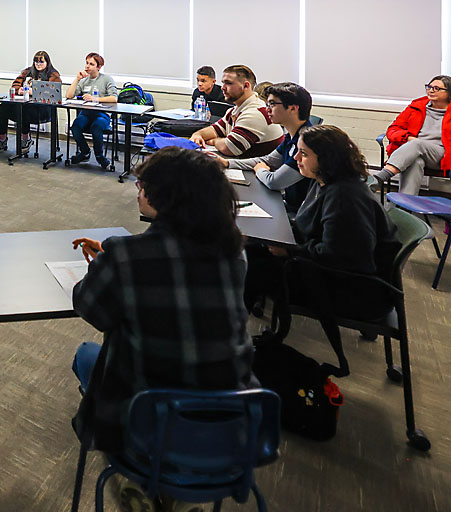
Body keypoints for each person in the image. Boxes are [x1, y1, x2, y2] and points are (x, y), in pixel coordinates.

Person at [69, 147, 255, 512]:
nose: (139, 192)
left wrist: (106, 265)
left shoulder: (126, 255)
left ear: (163, 197)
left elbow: (91, 309)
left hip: (149, 410)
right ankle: (181, 495)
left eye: (142, 186)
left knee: (87, 357)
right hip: (230, 414)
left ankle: (133, 477)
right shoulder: (234, 253)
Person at [246, 125, 401, 328]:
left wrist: (290, 250)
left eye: (303, 154)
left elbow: (341, 256)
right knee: (249, 248)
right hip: (333, 271)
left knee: (252, 267)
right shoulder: (324, 181)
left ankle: (235, 332)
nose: (296, 158)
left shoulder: (344, 198)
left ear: (326, 158)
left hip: (354, 291)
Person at [213, 82, 314, 213]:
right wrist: (227, 163)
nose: (267, 109)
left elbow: (274, 182)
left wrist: (260, 170)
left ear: (293, 108)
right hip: (288, 203)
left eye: (272, 104)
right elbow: (268, 161)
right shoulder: (291, 136)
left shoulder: (307, 143)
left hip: (297, 213)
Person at [371, 75, 451, 196]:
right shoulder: (416, 108)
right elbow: (393, 130)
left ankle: (381, 177)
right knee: (416, 161)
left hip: (443, 156)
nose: (431, 90)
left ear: (450, 93)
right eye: (429, 87)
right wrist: (407, 138)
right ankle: (404, 204)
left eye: (437, 88)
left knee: (417, 144)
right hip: (413, 151)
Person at [189, 65, 283, 158]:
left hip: (260, 166)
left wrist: (214, 141)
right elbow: (215, 130)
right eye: (223, 83)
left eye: (228, 83)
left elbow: (229, 148)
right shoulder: (235, 110)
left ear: (246, 86)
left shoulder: (255, 113)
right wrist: (198, 135)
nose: (223, 87)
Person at [0, 50, 61, 155]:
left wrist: (34, 92)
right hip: (24, 104)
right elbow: (15, 85)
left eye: (41, 62)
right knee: (1, 109)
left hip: (43, 110)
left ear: (47, 62)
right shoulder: (27, 72)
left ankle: (26, 139)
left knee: (24, 110)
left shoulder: (53, 75)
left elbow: (54, 92)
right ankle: (2, 139)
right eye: (36, 61)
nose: (38, 64)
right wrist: (19, 90)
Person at [65, 52, 118, 171]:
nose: (87, 66)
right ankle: (85, 152)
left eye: (91, 64)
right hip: (86, 113)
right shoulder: (84, 81)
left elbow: (114, 98)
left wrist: (95, 99)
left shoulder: (107, 79)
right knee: (75, 126)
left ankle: (100, 157)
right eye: (87, 63)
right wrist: (77, 79)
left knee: (96, 127)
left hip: (102, 114)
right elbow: (69, 95)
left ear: (99, 67)